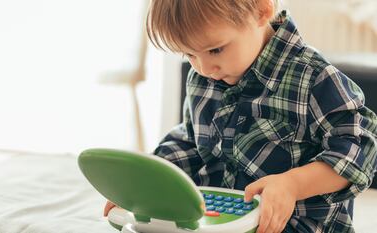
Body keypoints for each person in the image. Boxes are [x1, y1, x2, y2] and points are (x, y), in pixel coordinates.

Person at [105, 0, 377, 232]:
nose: (204, 67)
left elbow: (361, 149)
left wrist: (293, 184)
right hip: (219, 223)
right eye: (189, 54)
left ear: (261, 10)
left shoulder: (315, 78)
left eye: (215, 50)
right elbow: (193, 141)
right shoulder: (202, 76)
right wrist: (147, 183)